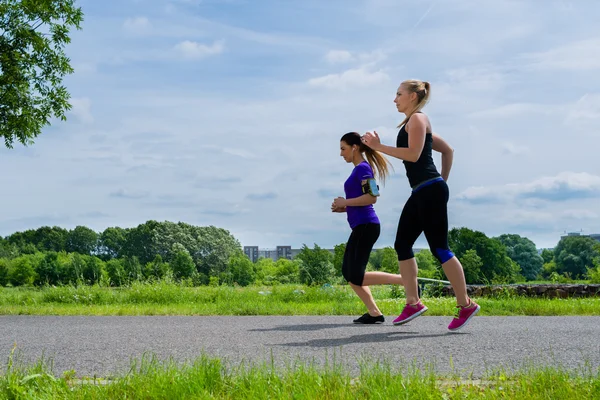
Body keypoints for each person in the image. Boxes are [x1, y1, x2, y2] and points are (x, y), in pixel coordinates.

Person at [361, 80, 480, 332]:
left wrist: (378, 147)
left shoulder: (418, 119)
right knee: (402, 244)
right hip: (424, 190)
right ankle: (413, 302)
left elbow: (414, 155)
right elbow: (447, 151)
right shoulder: (413, 124)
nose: (395, 99)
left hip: (428, 190)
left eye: (398, 94)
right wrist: (442, 183)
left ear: (413, 96)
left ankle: (465, 304)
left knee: (439, 248)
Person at [332, 131, 404, 324]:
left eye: (343, 149)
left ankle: (404, 280)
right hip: (361, 225)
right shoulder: (358, 170)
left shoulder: (363, 169)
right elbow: (361, 201)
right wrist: (344, 207)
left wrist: (345, 201)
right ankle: (374, 313)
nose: (341, 154)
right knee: (349, 273)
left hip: (367, 225)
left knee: (354, 274)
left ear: (355, 147)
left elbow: (372, 198)